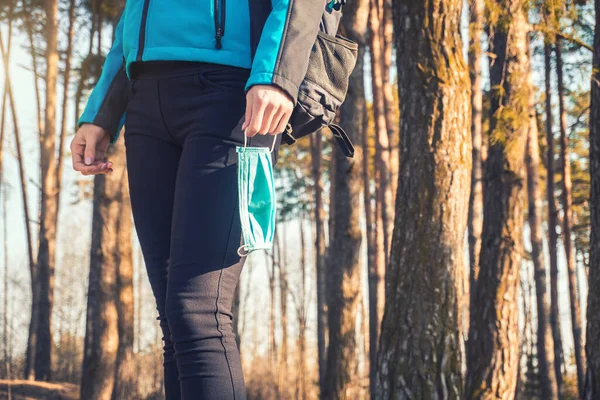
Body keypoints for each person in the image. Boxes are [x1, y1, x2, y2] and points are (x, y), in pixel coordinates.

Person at [70, 1, 325, 399]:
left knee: (197, 310)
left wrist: (278, 75)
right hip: (146, 99)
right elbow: (134, 18)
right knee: (175, 320)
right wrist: (102, 112)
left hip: (235, 96)